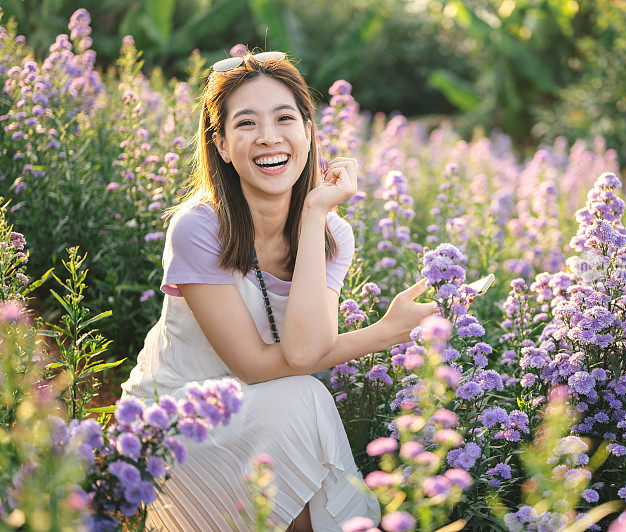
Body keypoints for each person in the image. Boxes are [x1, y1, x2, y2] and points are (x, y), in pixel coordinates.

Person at [120, 49, 437, 531]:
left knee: (297, 403)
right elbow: (256, 365)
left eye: (285, 118)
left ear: (309, 132)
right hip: (175, 422)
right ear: (222, 144)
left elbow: (303, 349)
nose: (269, 137)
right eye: (245, 123)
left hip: (267, 417)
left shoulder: (333, 235)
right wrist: (386, 333)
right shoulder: (199, 226)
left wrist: (313, 217)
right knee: (301, 397)